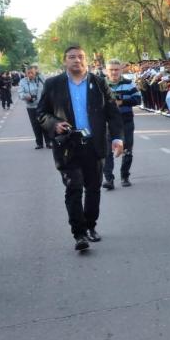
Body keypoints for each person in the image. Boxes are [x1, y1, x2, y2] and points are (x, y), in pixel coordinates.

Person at [37, 45, 123, 251]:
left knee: (93, 189)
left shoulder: (99, 83)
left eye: (80, 57)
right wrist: (54, 124)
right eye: (72, 57)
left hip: (94, 145)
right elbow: (41, 113)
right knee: (73, 187)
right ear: (64, 60)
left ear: (87, 60)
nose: (76, 60)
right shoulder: (53, 84)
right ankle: (79, 233)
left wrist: (118, 138)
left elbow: (112, 112)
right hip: (67, 146)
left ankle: (91, 225)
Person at [102, 59, 141, 189]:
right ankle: (109, 179)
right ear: (107, 71)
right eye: (111, 69)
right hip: (108, 122)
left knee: (127, 150)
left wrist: (122, 102)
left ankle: (125, 176)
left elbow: (138, 99)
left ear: (120, 70)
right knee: (107, 151)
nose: (114, 72)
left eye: (116, 69)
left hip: (126, 120)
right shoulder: (100, 84)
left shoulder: (129, 84)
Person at [18, 65, 50, 149]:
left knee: (45, 123)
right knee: (36, 125)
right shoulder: (23, 82)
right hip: (31, 107)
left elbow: (48, 88)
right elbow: (20, 93)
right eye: (28, 73)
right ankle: (39, 143)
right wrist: (26, 96)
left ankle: (48, 142)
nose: (30, 74)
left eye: (32, 72)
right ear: (26, 73)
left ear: (35, 72)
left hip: (43, 106)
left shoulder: (41, 79)